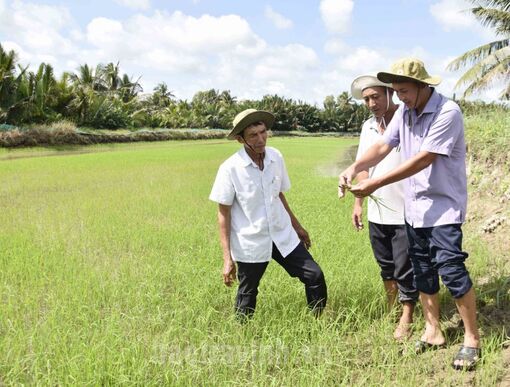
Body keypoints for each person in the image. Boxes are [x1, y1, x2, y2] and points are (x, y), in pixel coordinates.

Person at [338, 58, 481, 371]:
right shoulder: (405, 111)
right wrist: (355, 168)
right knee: (423, 272)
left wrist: (375, 182)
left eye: (404, 91)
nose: (399, 97)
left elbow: (423, 159)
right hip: (414, 210)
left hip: (442, 209)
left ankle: (471, 338)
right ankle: (433, 332)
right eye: (397, 92)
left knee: (452, 271)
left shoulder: (447, 112)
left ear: (423, 86)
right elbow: (384, 145)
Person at [209, 108, 327, 319]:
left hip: (282, 234)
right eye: (253, 135)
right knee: (248, 292)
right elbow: (223, 214)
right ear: (240, 139)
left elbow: (278, 195)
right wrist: (227, 258)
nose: (261, 139)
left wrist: (297, 227)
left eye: (263, 132)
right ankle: (242, 333)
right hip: (251, 240)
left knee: (314, 275)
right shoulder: (230, 168)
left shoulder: (275, 157)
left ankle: (316, 321)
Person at [350, 75, 418, 340]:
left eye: (376, 96)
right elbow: (362, 166)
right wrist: (358, 202)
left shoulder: (408, 119)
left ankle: (407, 315)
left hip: (405, 209)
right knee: (386, 265)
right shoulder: (368, 127)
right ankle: (392, 308)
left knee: (405, 266)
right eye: (366, 99)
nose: (371, 103)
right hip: (377, 210)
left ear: (390, 94)